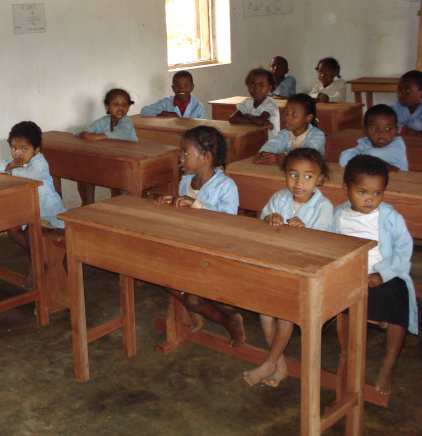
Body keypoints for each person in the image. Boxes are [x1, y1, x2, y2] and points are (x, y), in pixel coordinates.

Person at [330, 155, 418, 395]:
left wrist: (383, 273)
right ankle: (348, 354)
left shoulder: (389, 217)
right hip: (351, 274)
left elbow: (403, 249)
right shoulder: (338, 214)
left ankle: (388, 365)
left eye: (377, 193)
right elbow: (330, 244)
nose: (370, 199)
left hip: (385, 273)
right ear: (345, 189)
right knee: (341, 299)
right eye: (362, 192)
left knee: (397, 302)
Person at [245, 148, 332, 387]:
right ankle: (280, 365)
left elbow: (323, 243)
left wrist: (305, 231)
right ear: (285, 175)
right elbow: (264, 222)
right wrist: (269, 219)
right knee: (265, 313)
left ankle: (268, 364)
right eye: (293, 175)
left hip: (302, 273)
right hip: (277, 264)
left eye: (307, 176)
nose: (299, 182)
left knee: (284, 317)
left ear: (319, 179)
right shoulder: (279, 198)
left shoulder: (323, 206)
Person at [154, 126, 245, 347]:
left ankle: (230, 321)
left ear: (206, 156)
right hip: (190, 246)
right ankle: (192, 307)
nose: (180, 157)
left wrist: (196, 204)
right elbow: (184, 216)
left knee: (193, 298)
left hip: (215, 251)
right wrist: (171, 203)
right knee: (155, 270)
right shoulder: (186, 181)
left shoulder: (226, 186)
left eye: (185, 152)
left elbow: (228, 222)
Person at [0, 121, 66, 289]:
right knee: (12, 230)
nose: (18, 153)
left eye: (24, 149)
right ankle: (39, 258)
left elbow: (35, 174)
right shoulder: (14, 161)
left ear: (36, 149)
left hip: (49, 212)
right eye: (14, 148)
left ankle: (34, 267)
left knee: (31, 230)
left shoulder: (39, 162)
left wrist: (12, 170)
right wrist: (8, 165)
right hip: (30, 210)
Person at [73, 88, 137, 206]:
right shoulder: (104, 121)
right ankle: (89, 207)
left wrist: (99, 136)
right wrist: (83, 133)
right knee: (86, 175)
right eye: (115, 104)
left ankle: (128, 210)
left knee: (123, 183)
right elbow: (86, 129)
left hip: (129, 163)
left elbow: (122, 133)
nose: (120, 107)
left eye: (124, 104)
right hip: (112, 161)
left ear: (128, 107)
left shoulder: (126, 122)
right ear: (107, 106)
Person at [254, 94, 326, 165]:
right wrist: (264, 153)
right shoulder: (284, 134)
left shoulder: (317, 135)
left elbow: (306, 152)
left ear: (308, 118)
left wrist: (284, 157)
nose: (287, 117)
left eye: (293, 114)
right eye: (285, 112)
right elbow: (274, 143)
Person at [339, 104, 408, 172]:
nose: (382, 133)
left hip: (399, 182)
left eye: (388, 128)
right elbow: (344, 159)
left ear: (396, 130)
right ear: (365, 131)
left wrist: (359, 159)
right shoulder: (366, 142)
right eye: (375, 128)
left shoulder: (398, 145)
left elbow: (373, 154)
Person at [229, 68, 280, 139]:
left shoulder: (270, 103)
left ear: (269, 88)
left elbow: (260, 121)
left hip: (271, 144)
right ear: (248, 86)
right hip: (255, 139)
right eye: (252, 85)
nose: (256, 89)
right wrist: (253, 120)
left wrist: (246, 115)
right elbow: (232, 119)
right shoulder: (247, 102)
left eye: (261, 86)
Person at [140, 70, 205, 118]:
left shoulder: (198, 107)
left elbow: (203, 127)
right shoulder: (166, 102)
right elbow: (144, 110)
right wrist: (166, 114)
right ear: (172, 88)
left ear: (192, 87)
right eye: (177, 85)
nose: (181, 89)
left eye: (186, 85)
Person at [392, 69, 422, 136]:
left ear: (421, 93)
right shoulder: (394, 108)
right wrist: (404, 129)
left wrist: (403, 127)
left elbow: (419, 125)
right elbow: (386, 125)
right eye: (399, 90)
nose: (401, 94)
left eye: (407, 90)